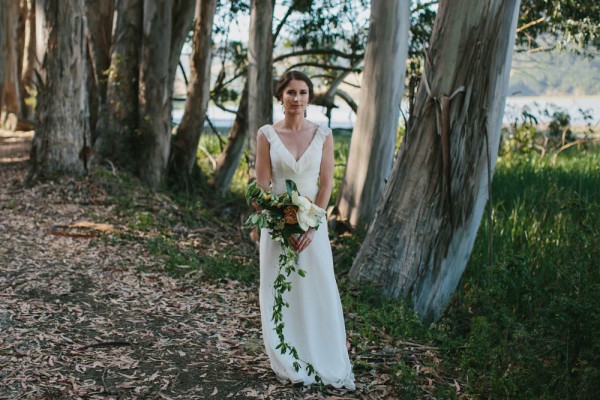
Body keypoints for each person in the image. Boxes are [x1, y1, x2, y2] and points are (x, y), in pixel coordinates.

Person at [255, 70, 355, 389]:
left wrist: (311, 226)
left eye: (302, 93)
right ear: (280, 97)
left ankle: (323, 355)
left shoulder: (323, 134)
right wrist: (281, 222)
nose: (296, 99)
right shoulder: (266, 135)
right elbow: (262, 186)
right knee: (280, 290)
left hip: (314, 225)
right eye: (290, 93)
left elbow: (326, 186)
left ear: (309, 98)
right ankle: (289, 356)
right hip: (277, 227)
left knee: (317, 290)